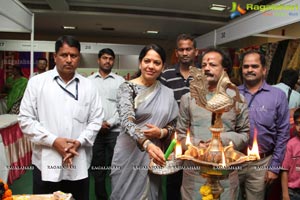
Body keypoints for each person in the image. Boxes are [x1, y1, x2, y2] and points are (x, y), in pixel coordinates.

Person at [18, 35, 104, 200]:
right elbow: (25, 119)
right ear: (55, 57)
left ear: (79, 58)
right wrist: (53, 141)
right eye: (64, 55)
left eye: (74, 55)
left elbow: (96, 119)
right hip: (46, 163)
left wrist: (79, 141)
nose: (69, 60)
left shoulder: (89, 86)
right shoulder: (37, 83)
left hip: (78, 163)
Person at [177, 48, 249, 200]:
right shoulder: (188, 98)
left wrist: (222, 140)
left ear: (225, 69)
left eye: (212, 65)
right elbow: (180, 135)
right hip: (195, 171)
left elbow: (245, 134)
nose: (207, 68)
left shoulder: (237, 98)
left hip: (225, 171)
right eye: (203, 65)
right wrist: (198, 144)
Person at [110, 44, 179, 200]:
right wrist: (147, 144)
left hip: (154, 156)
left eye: (157, 63)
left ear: (163, 67)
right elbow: (127, 122)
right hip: (129, 153)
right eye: (147, 61)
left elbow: (175, 123)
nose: (151, 66)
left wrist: (161, 132)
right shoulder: (127, 88)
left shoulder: (167, 93)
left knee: (151, 193)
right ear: (140, 63)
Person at [238, 50, 290, 200]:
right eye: (246, 66)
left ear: (264, 70)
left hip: (261, 163)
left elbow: (283, 133)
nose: (249, 70)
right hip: (234, 161)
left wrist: (274, 167)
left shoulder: (277, 95)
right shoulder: (232, 93)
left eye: (254, 66)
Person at [160, 33, 199, 200]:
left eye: (188, 49)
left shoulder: (202, 75)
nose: (185, 53)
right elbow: (161, 106)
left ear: (195, 51)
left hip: (198, 138)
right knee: (173, 181)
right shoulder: (166, 75)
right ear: (176, 52)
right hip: (173, 137)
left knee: (196, 180)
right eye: (181, 49)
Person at [88, 48, 125, 200]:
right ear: (98, 60)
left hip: (115, 132)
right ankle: (101, 197)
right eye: (104, 58)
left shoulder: (120, 81)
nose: (107, 61)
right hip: (95, 132)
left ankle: (118, 196)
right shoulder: (88, 82)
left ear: (113, 61)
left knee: (117, 167)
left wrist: (109, 123)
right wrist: (98, 124)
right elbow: (87, 107)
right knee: (98, 168)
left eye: (110, 58)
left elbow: (124, 107)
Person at [281, 107, 300, 200]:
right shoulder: (291, 144)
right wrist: (285, 194)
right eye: (297, 123)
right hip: (292, 191)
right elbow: (284, 170)